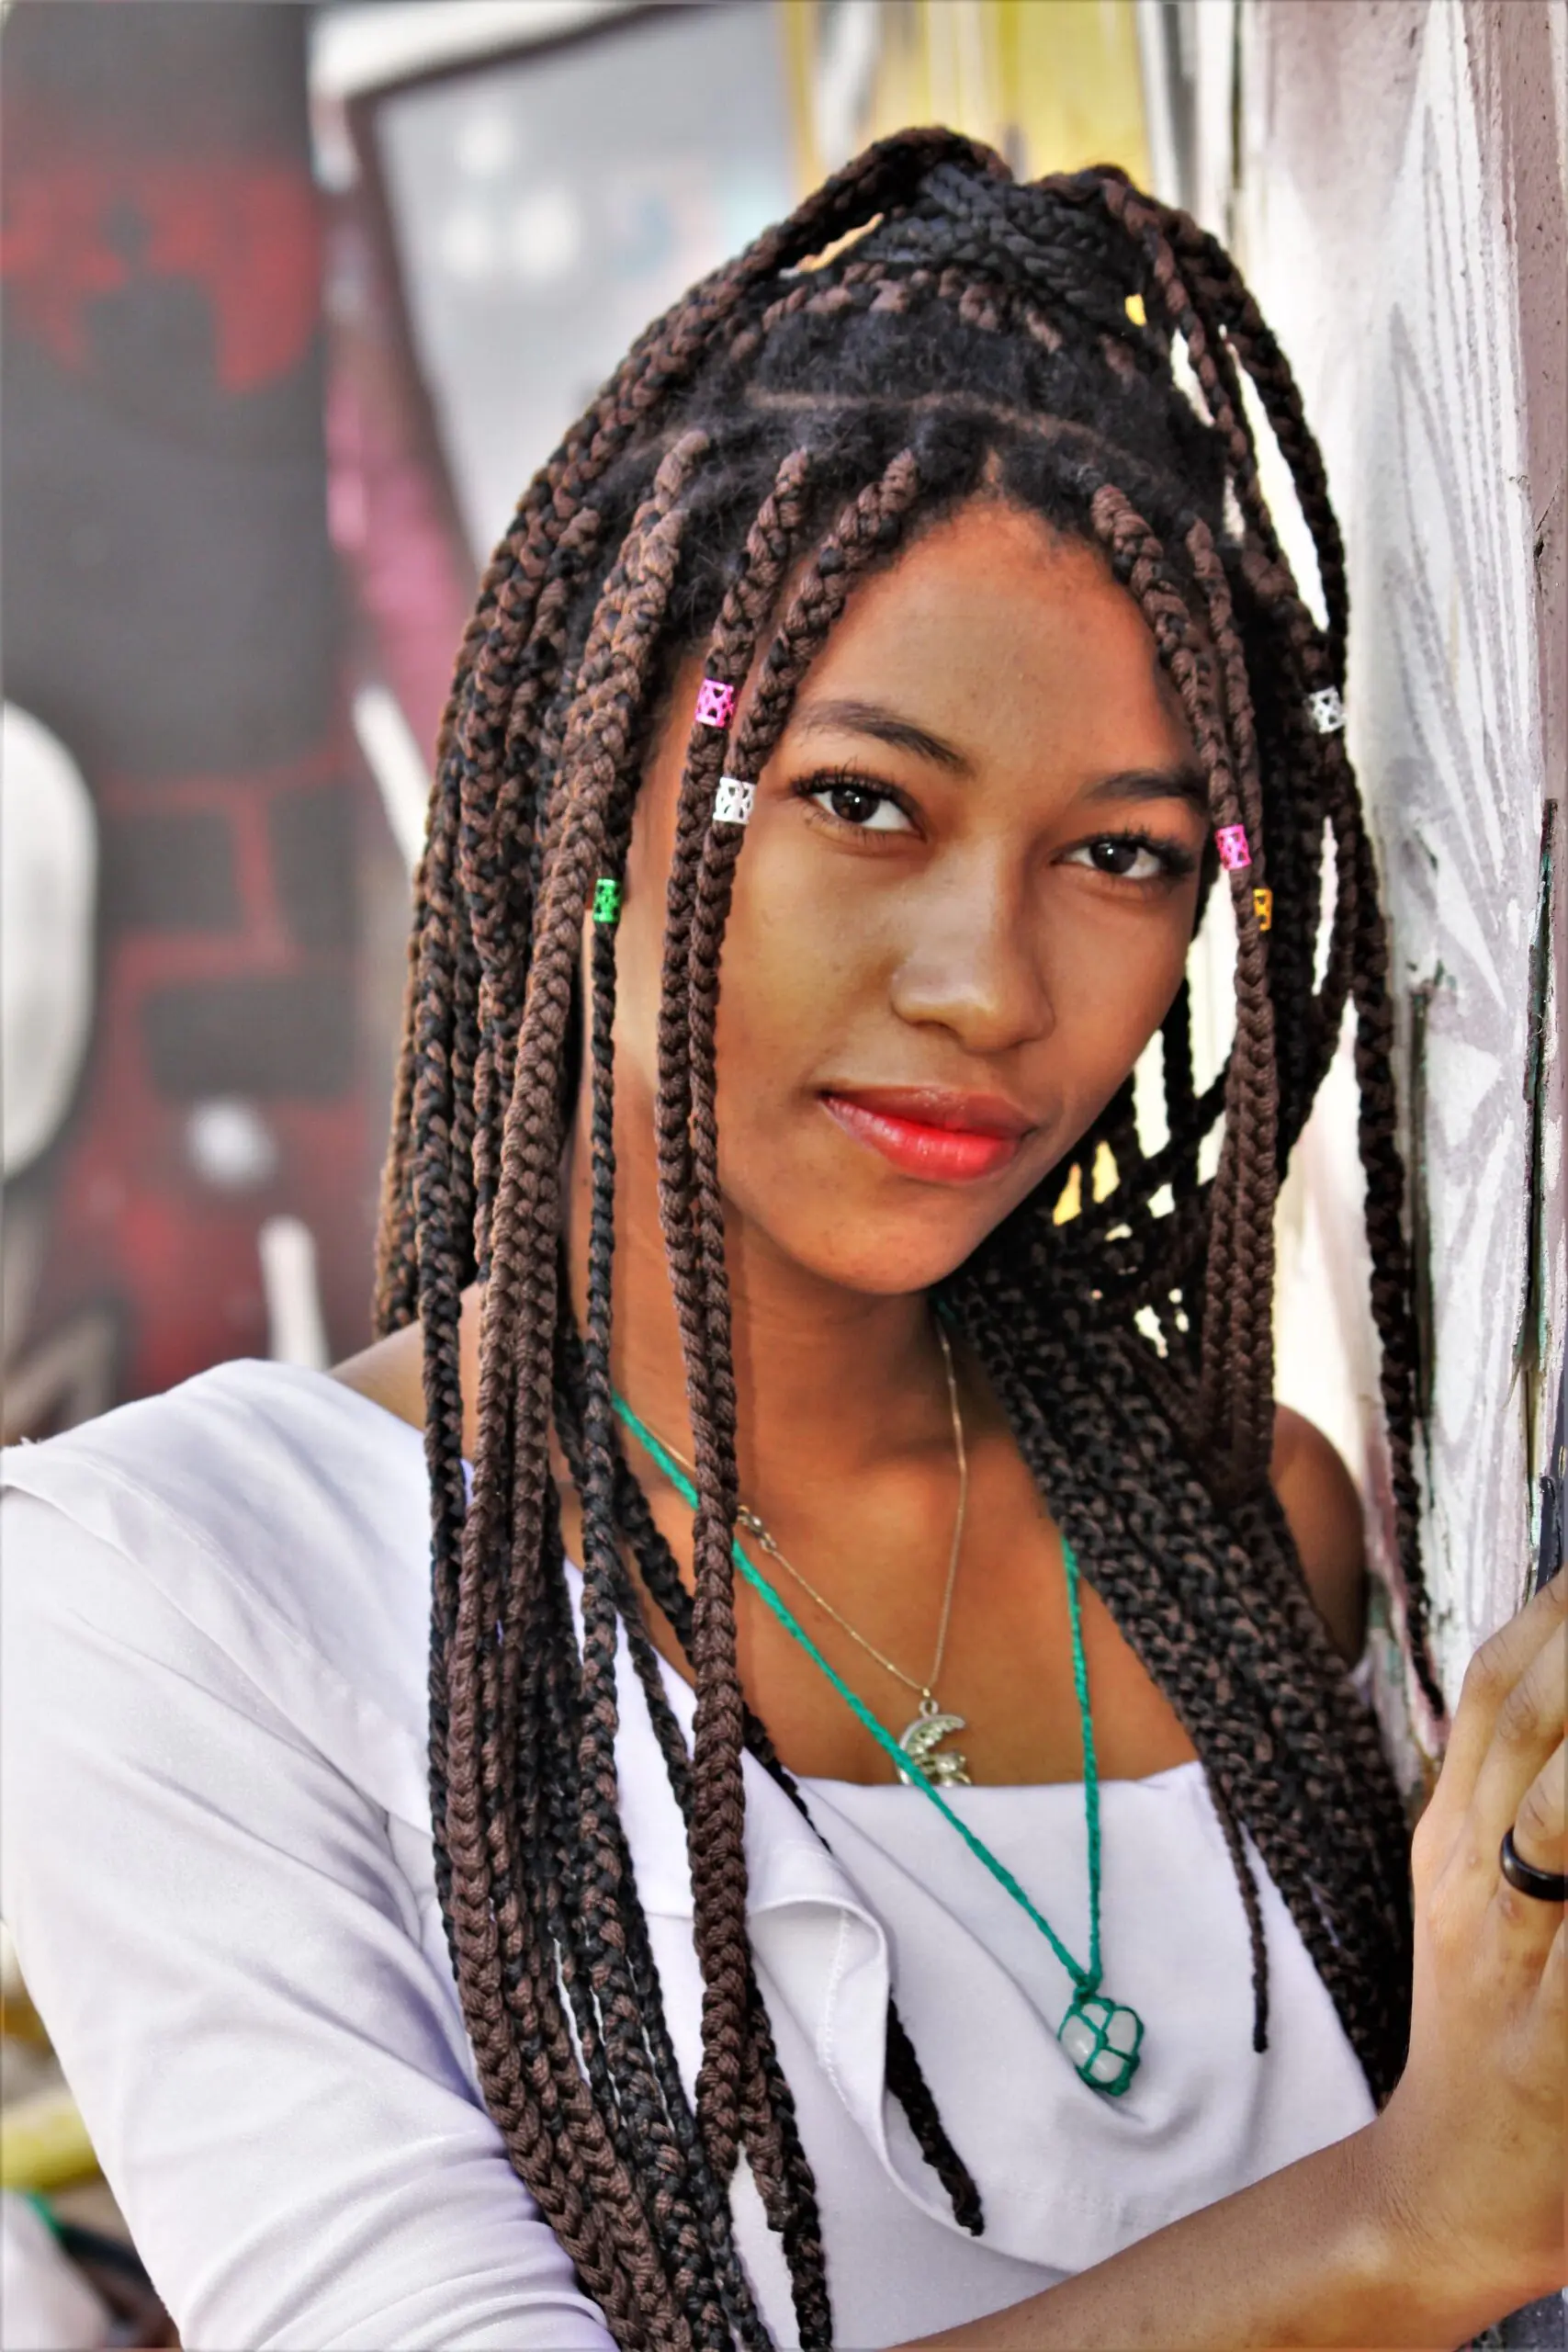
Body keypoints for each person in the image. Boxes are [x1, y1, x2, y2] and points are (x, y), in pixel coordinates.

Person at [2, 129, 1562, 2352]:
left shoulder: (1253, 1529)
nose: (989, 985)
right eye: (861, 802)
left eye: (1122, 855)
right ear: (595, 789)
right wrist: (1402, 2224)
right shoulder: (191, 1593)